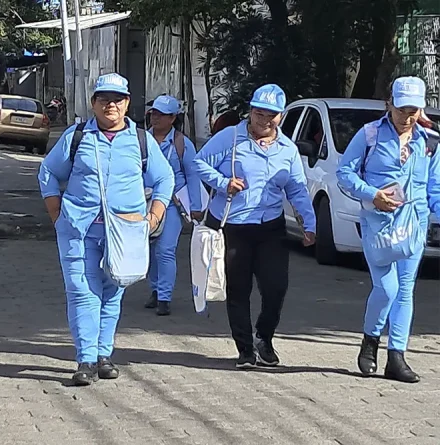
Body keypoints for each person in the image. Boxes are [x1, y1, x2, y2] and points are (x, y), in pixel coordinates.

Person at [38, 73, 174, 386]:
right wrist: (56, 213)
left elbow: (165, 179)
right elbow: (48, 172)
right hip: (78, 230)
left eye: (117, 99)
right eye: (103, 99)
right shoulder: (78, 136)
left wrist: (153, 217)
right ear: (93, 103)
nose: (110, 105)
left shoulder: (141, 140)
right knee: (83, 293)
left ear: (127, 103)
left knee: (113, 293)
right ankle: (85, 358)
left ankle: (103, 354)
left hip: (126, 233)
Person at [192, 84, 316, 369]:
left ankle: (264, 337)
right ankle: (245, 349)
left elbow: (297, 189)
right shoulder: (230, 138)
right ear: (250, 111)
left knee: (276, 288)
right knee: (238, 289)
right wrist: (224, 184)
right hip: (233, 227)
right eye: (260, 113)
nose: (265, 121)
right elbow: (199, 163)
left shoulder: (288, 149)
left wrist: (309, 224)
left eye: (272, 115)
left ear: (281, 117)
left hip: (270, 228)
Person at [336, 77, 440, 383]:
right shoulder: (369, 135)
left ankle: (397, 357)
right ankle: (370, 341)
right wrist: (372, 195)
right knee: (387, 288)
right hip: (378, 225)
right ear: (388, 104)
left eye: (413, 109)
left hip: (414, 226)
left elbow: (435, 188)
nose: (406, 116)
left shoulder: (429, 142)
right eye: (401, 109)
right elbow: (344, 173)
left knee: (405, 290)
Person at [144, 95, 204, 316]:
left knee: (165, 250)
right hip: (145, 203)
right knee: (148, 250)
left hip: (172, 204)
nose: (155, 117)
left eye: (161, 114)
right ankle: (155, 289)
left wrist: (196, 206)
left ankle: (164, 298)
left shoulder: (181, 143)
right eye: (154, 113)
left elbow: (193, 175)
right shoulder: (142, 140)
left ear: (172, 118)